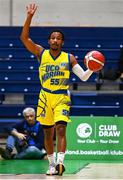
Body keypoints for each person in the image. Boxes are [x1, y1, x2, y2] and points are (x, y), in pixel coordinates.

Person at [20, 3, 94, 176]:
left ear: (62, 42)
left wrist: (92, 68)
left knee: (61, 129)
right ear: (49, 41)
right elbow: (24, 38)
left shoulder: (69, 57)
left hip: (61, 96)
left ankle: (60, 163)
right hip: (45, 96)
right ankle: (52, 165)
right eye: (52, 37)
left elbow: (83, 77)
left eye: (58, 38)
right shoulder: (41, 53)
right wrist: (29, 16)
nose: (55, 40)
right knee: (47, 133)